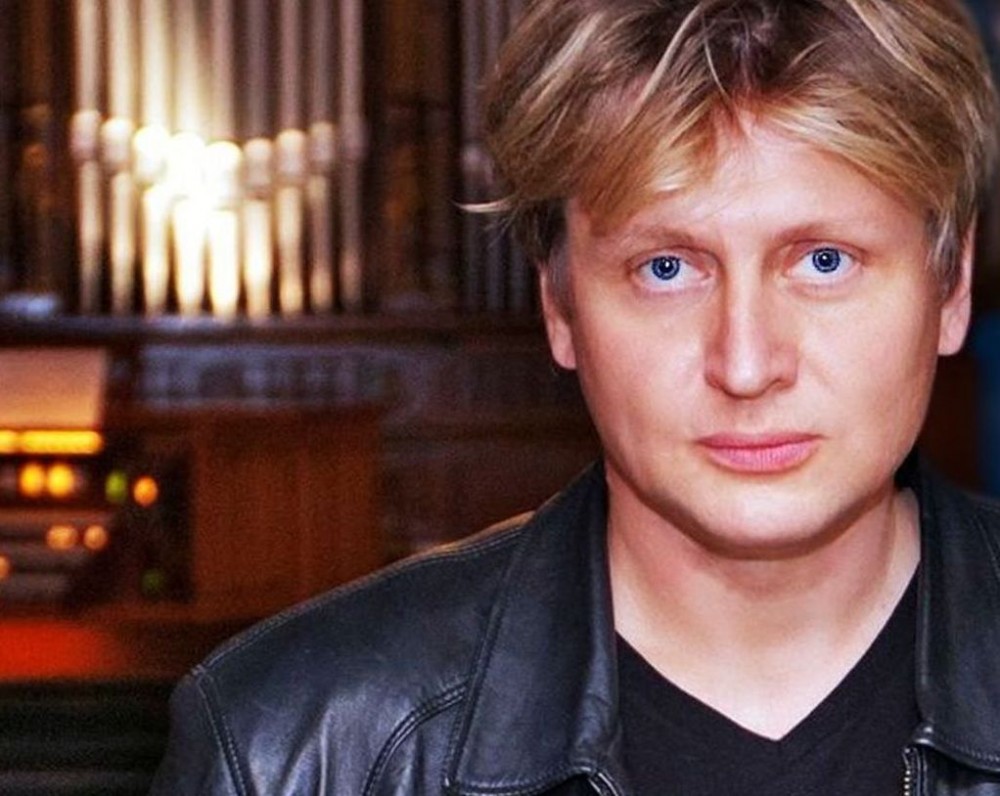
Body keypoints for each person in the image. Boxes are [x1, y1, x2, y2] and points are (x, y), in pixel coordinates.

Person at [150, 0, 1000, 793]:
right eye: (665, 269)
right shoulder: (290, 743)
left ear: (952, 285)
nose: (746, 365)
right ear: (559, 306)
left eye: (824, 262)